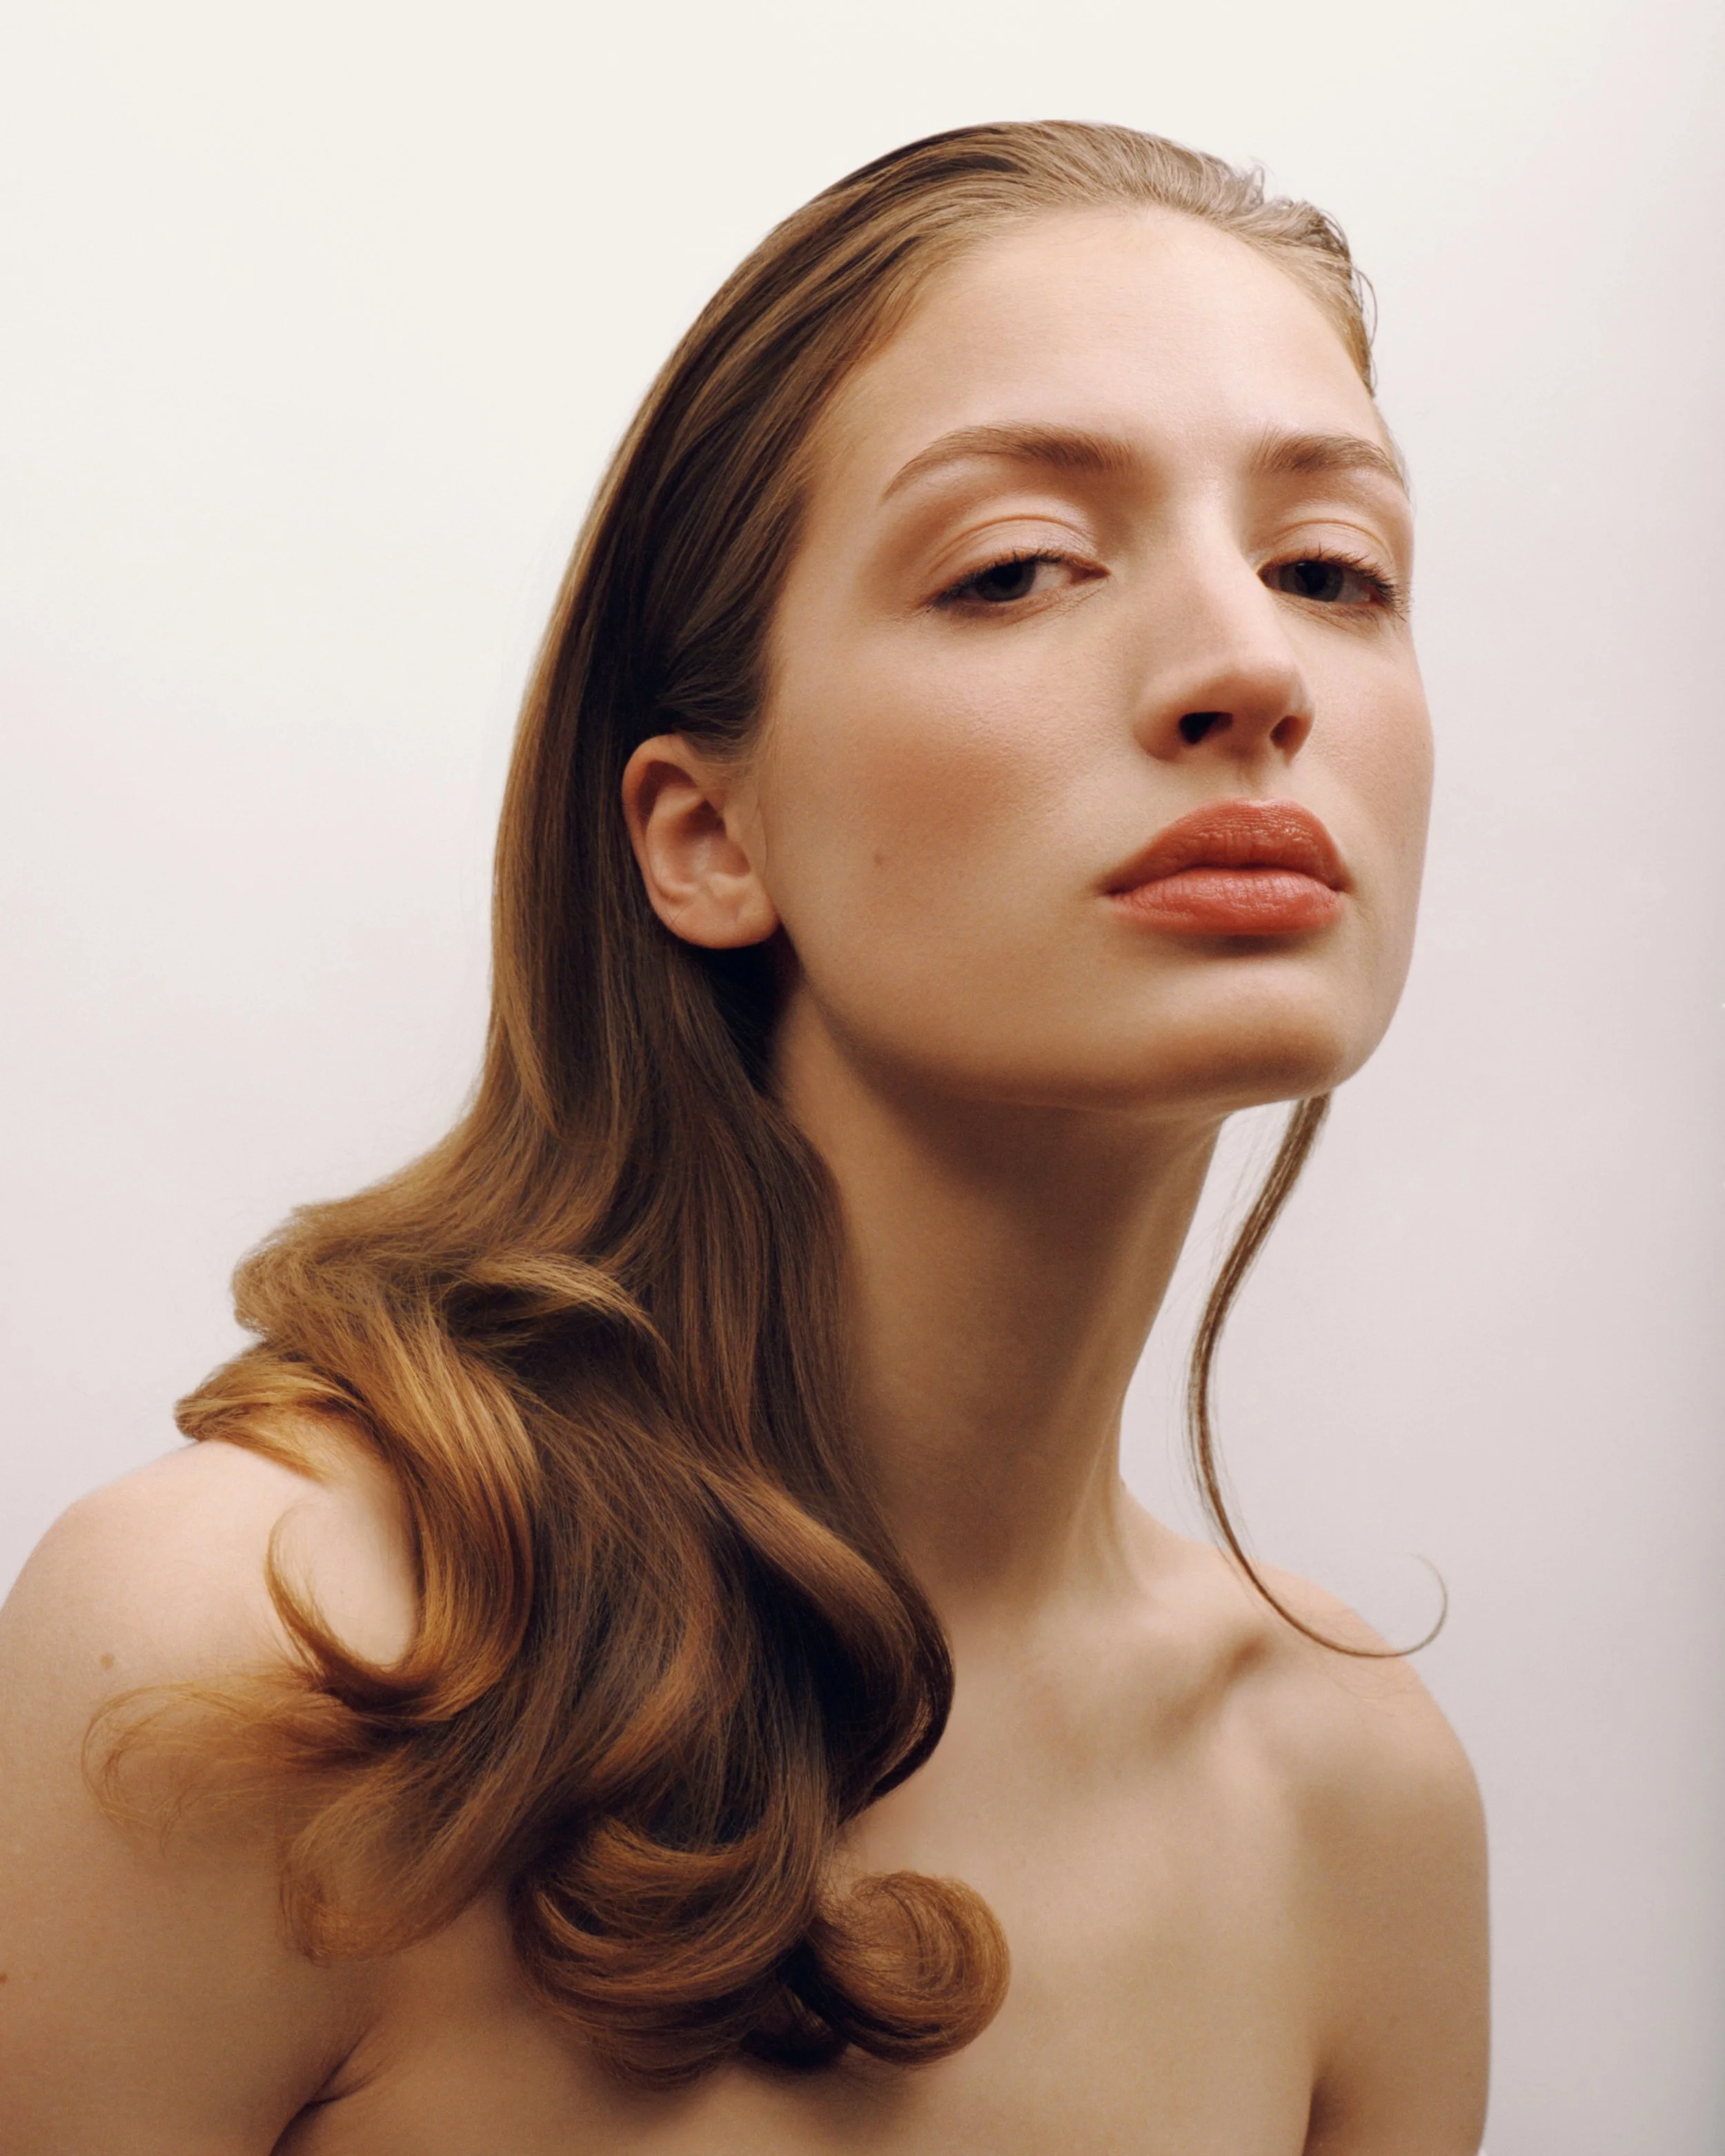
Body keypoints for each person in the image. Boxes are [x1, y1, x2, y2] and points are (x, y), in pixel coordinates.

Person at [0, 122, 1488, 2152]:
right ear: (705, 832)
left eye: (1333, 572)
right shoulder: (243, 1663)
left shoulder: (1357, 1800)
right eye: (1017, 568)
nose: (1251, 666)